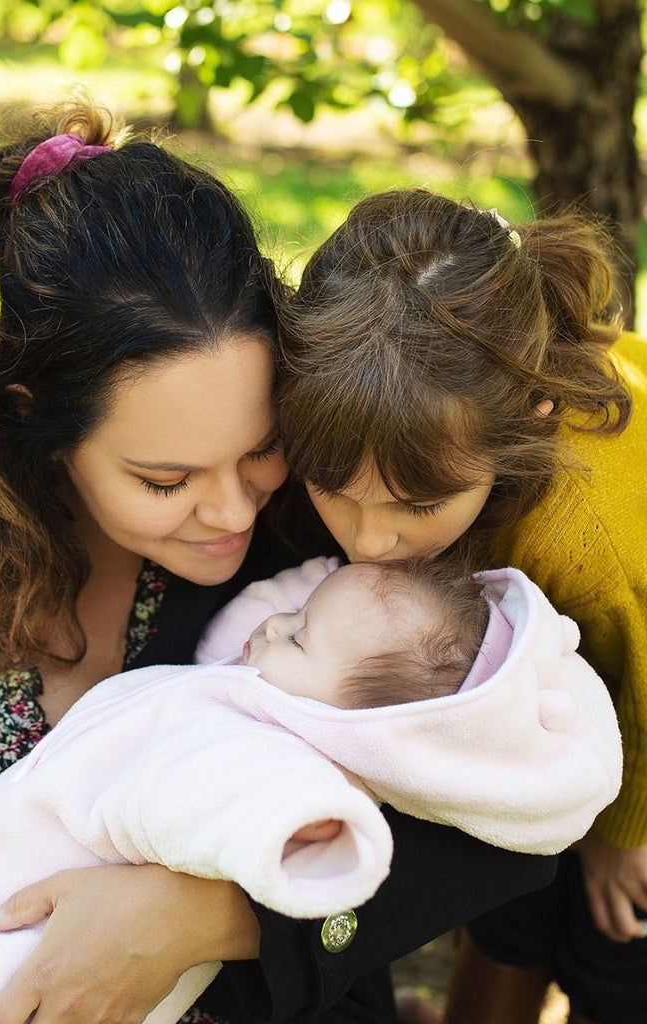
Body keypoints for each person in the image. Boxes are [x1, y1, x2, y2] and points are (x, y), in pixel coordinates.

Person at [0, 102, 559, 1024]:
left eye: (259, 447)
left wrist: (215, 916)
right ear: (40, 420)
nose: (229, 509)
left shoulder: (329, 543)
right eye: (165, 478)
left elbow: (523, 806)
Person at [0, 557, 622, 1024]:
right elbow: (296, 615)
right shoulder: (284, 658)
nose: (232, 510)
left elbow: (231, 803)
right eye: (167, 476)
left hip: (17, 951)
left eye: (301, 636)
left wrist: (232, 894)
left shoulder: (279, 751)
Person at [277, 186, 647, 1024]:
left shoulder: (588, 533)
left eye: (417, 506)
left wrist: (624, 832)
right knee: (516, 899)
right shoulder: (408, 417)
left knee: (616, 942)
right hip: (576, 683)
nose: (370, 542)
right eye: (337, 491)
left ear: (530, 418)